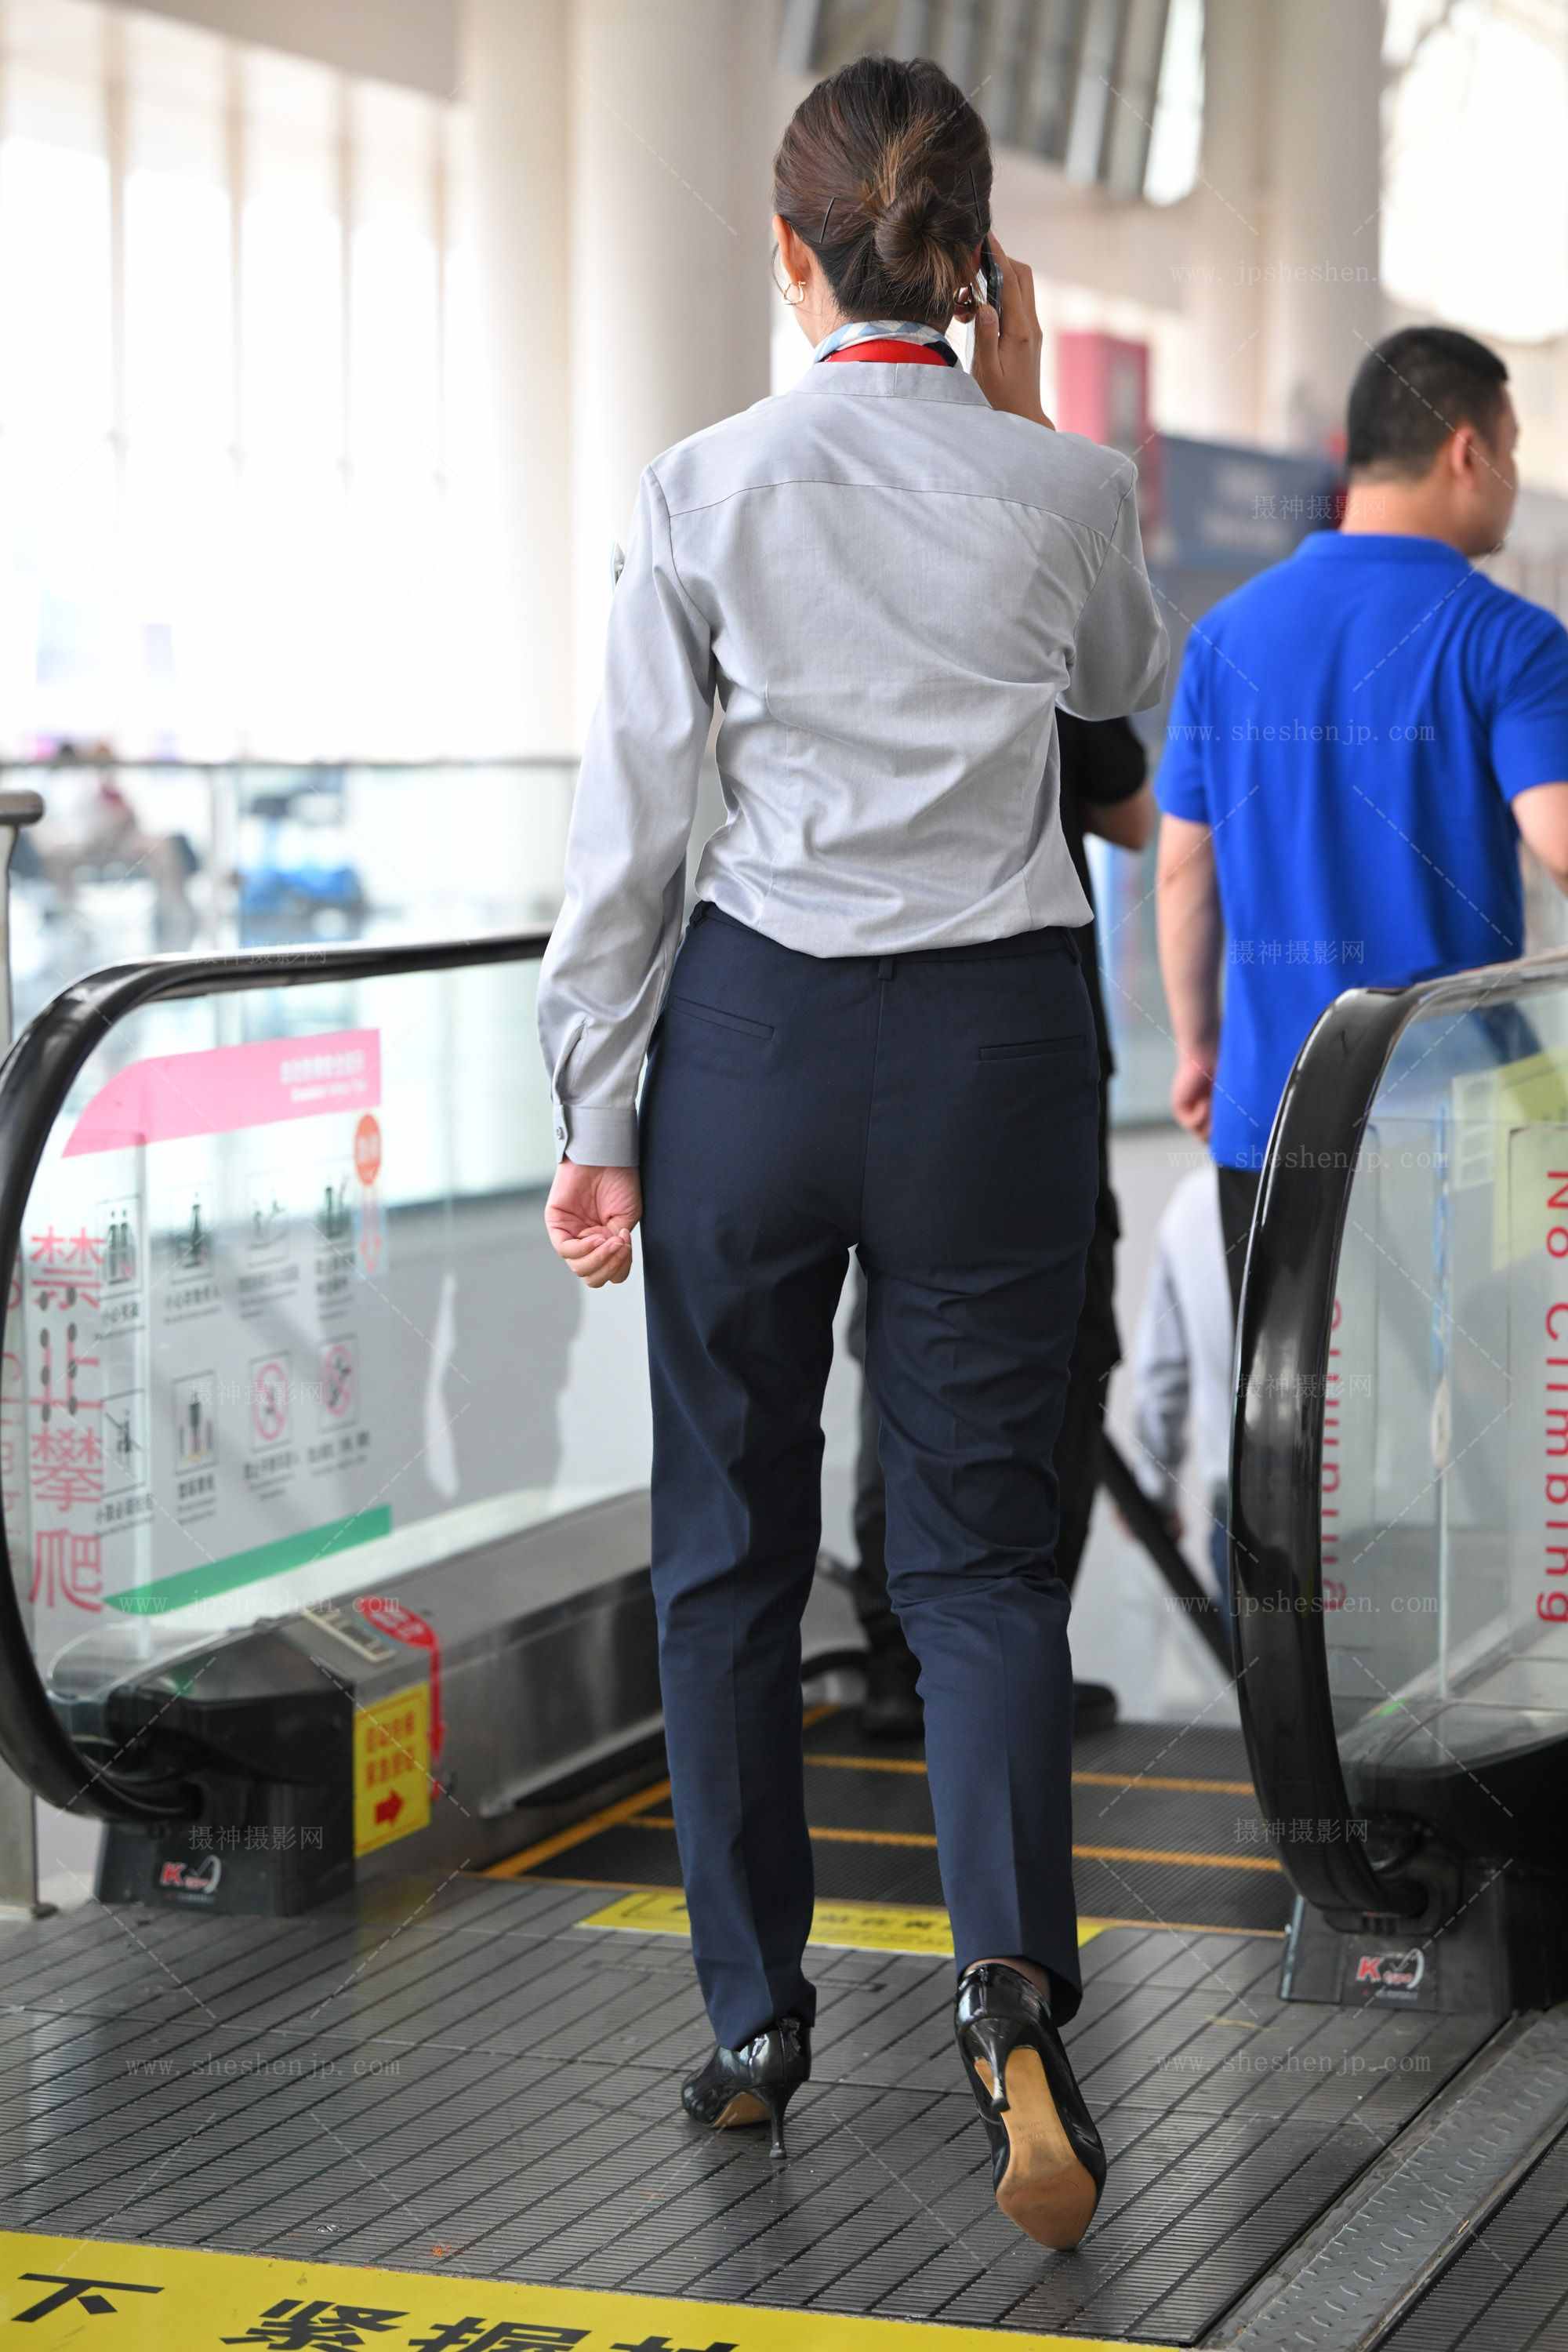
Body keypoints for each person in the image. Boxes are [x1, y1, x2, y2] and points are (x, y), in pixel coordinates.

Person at [537, 53, 1166, 2250]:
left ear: (787, 255)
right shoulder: (1066, 484)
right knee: (979, 1562)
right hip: (995, 1044)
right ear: (973, 263)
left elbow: (630, 826)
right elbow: (1112, 705)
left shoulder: (700, 484)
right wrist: (1023, 409)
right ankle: (1007, 1997)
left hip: (756, 1044)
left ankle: (750, 2020)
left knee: (729, 1540)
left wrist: (595, 1112)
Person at [1155, 326, 1568, 1318]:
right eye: (1510, 451)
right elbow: (1560, 842)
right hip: (1465, 1126)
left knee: (1286, 1408)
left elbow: (1180, 875)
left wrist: (1199, 1047)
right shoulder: (1507, 639)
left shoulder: (1224, 637)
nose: (1511, 480)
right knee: (1486, 1403)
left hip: (1271, 1115)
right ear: (1465, 451)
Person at [844, 713, 1154, 1743]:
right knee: (1057, 1343)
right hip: (1030, 1039)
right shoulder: (1048, 636)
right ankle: (1010, 1665)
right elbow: (1134, 821)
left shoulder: (846, 637)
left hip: (869, 1028)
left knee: (895, 1338)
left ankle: (897, 1664)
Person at [1128, 1161, 1233, 1605]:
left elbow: (1162, 1372)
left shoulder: (1193, 1204)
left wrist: (1155, 1492)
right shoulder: (1350, 1174)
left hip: (1244, 1512)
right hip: (1362, 1499)